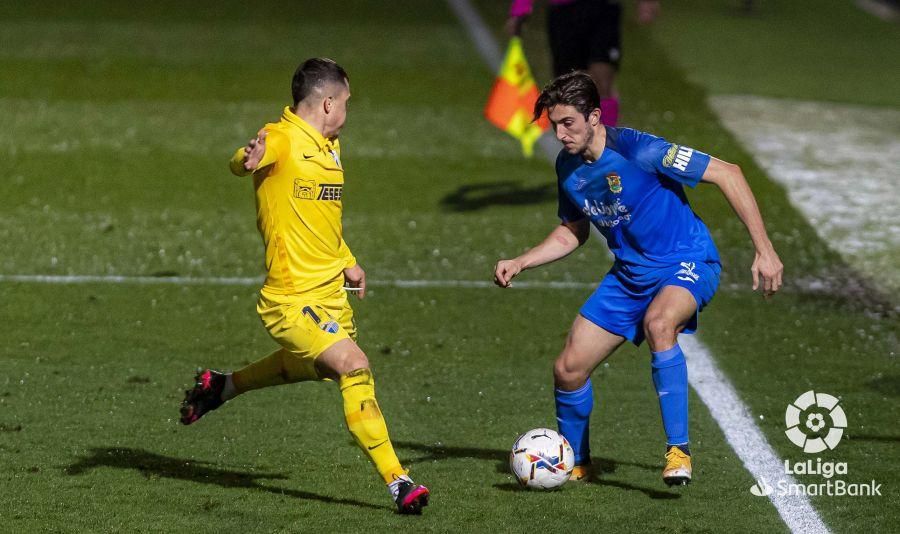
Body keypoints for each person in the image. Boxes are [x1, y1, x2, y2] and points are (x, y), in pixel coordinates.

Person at [493, 72, 783, 486]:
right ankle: (577, 463)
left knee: (661, 324)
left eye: (568, 123)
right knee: (569, 369)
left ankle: (678, 451)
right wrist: (522, 260)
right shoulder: (568, 166)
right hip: (630, 276)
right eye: (554, 125)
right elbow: (572, 231)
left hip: (687, 262)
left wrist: (765, 249)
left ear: (594, 116)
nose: (559, 134)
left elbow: (729, 173)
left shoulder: (643, 150)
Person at [179, 58, 430, 514]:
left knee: (319, 367)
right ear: (328, 101)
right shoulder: (282, 137)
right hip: (292, 299)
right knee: (354, 365)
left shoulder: (329, 145)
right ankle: (399, 481)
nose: (348, 113)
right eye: (347, 103)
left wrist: (349, 261)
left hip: (331, 291)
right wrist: (246, 160)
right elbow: (244, 157)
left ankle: (223, 386)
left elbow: (321, 219)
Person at [506, 0, 660, 127]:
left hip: (604, 8)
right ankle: (585, 151)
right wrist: (521, 7)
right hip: (563, 11)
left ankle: (608, 150)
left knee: (602, 81)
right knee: (572, 87)